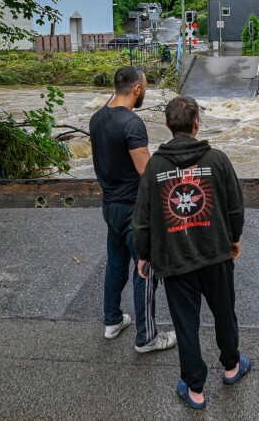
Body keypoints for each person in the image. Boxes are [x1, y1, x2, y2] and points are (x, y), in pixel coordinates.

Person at [134, 95, 251, 410]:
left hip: (174, 259)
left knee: (186, 325)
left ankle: (195, 389)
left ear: (168, 125)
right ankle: (232, 366)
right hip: (215, 252)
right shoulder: (218, 160)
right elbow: (235, 206)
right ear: (197, 124)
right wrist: (234, 239)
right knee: (224, 313)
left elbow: (142, 219)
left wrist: (143, 254)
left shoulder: (155, 166)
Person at [88, 66, 177, 353]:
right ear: (137, 89)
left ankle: (112, 320)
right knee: (145, 268)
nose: (146, 91)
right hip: (133, 209)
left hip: (110, 205)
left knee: (116, 263)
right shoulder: (132, 124)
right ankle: (147, 337)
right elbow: (147, 173)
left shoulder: (97, 118)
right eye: (146, 87)